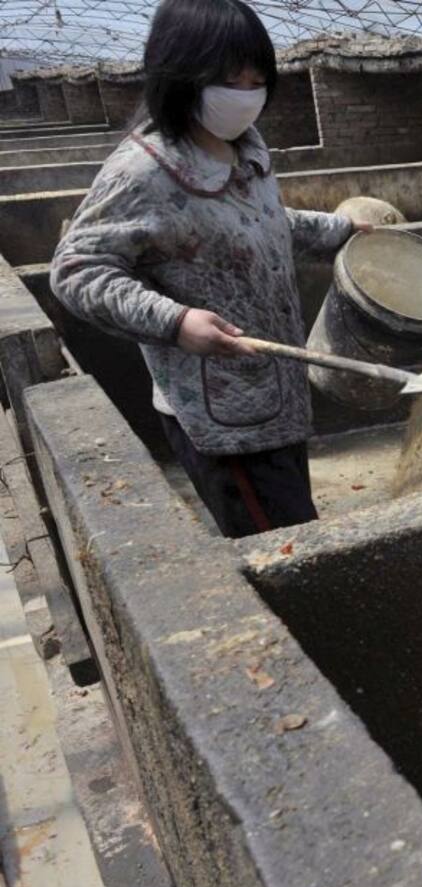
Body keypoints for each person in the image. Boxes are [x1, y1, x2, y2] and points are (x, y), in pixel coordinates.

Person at [51, 0, 372, 538]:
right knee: (281, 546)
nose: (247, 88)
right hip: (223, 420)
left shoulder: (243, 146)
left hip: (277, 397)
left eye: (255, 74)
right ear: (179, 72)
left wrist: (340, 233)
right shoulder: (142, 172)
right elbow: (77, 270)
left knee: (294, 530)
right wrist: (176, 323)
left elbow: (265, 221)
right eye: (229, 74)